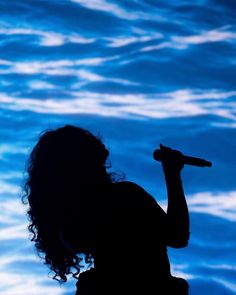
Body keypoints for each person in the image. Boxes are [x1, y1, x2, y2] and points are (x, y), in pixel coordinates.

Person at [22, 124, 190, 295]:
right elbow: (178, 236)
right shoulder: (127, 196)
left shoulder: (74, 223)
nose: (105, 153)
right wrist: (172, 174)